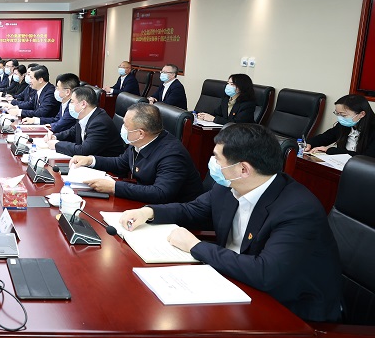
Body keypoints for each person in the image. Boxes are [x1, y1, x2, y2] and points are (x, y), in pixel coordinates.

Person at [119, 123, 343, 322]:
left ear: (243, 169)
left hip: (290, 310)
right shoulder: (228, 187)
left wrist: (195, 246)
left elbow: (265, 273)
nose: (213, 164)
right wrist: (148, 212)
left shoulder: (297, 209)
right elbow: (193, 210)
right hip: (233, 282)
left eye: (217, 159)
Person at [70, 102, 202, 203]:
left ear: (140, 133)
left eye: (126, 126)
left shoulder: (172, 155)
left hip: (175, 216)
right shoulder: (139, 142)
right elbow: (120, 163)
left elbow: (160, 193)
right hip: (145, 203)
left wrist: (114, 187)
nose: (122, 128)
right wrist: (90, 160)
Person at [45, 86, 124, 157]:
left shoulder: (100, 123)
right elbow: (72, 132)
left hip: (105, 166)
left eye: (72, 101)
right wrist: (55, 137)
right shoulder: (84, 116)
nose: (69, 105)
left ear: (83, 104)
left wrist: (57, 145)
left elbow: (83, 151)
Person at [306, 94, 375, 157]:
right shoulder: (343, 125)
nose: (340, 118)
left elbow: (367, 157)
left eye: (343, 115)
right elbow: (325, 137)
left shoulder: (372, 130)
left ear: (362, 114)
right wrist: (310, 144)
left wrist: (330, 150)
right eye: (337, 114)